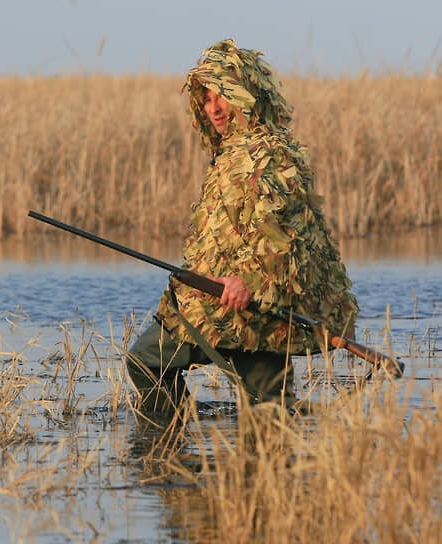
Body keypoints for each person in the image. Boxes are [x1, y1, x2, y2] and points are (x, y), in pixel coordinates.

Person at [125, 39, 359, 414]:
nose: (213, 107)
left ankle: (184, 458)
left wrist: (247, 282)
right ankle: (172, 460)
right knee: (147, 361)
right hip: (213, 306)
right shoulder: (229, 155)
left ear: (247, 95)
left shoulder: (268, 155)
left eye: (222, 95)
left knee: (269, 414)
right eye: (206, 98)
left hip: (253, 312)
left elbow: (288, 239)